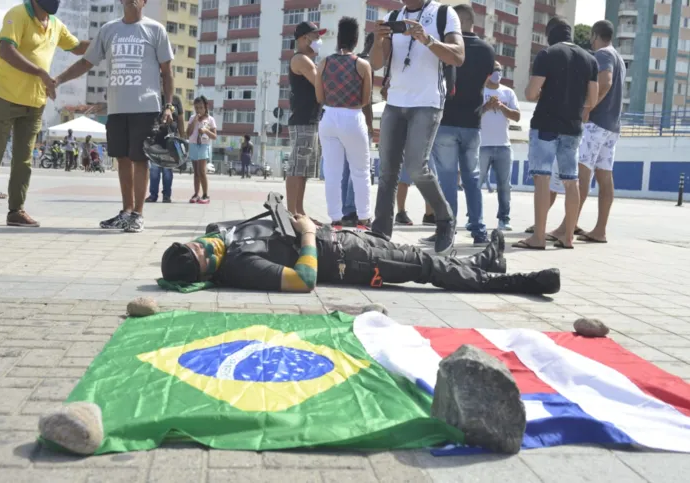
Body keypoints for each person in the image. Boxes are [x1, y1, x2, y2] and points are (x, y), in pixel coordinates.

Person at [159, 194, 561, 296]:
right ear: (205, 274)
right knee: (424, 269)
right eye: (206, 256)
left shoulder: (219, 232)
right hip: (346, 261)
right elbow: (304, 281)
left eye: (202, 244)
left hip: (346, 240)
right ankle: (515, 283)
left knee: (421, 257)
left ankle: (488, 263)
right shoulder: (240, 266)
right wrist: (307, 234)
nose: (211, 246)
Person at [55, 0, 175, 233]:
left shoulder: (155, 30)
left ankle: (138, 215)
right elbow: (86, 62)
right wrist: (58, 80)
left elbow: (167, 72)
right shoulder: (109, 30)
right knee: (122, 158)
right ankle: (126, 211)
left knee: (140, 159)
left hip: (145, 106)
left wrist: (168, 105)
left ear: (144, 2)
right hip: (117, 108)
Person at [0, 0, 89, 228]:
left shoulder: (55, 24)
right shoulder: (18, 14)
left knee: (23, 160)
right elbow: (5, 51)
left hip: (34, 101)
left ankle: (16, 211)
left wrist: (106, 40)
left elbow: (77, 47)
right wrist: (41, 73)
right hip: (4, 96)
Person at [370, 0, 465, 254]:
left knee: (415, 166)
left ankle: (445, 220)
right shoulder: (393, 15)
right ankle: (380, 232)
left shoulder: (444, 14)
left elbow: (458, 56)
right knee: (387, 170)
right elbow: (377, 63)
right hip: (395, 102)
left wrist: (427, 39)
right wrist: (379, 39)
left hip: (427, 101)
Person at [514, 17, 598, 251]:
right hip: (572, 128)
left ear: (550, 34)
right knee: (571, 182)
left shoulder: (547, 54)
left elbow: (531, 94)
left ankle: (538, 237)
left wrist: (546, 94)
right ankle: (568, 237)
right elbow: (592, 99)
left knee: (542, 179)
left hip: (546, 125)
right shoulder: (590, 59)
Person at [547, 20, 625, 245]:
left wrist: (588, 107)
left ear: (595, 35)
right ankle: (600, 230)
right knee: (605, 177)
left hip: (596, 124)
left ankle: (566, 228)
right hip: (612, 126)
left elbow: (606, 81)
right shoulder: (619, 57)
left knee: (581, 176)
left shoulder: (603, 55)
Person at [429, 4, 494, 246]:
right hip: (473, 122)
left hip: (445, 121)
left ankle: (447, 231)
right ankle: (479, 231)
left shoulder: (445, 48)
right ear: (473, 22)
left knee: (446, 179)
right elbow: (488, 81)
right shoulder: (487, 50)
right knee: (472, 178)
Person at [316, 17, 372, 226]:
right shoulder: (362, 65)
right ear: (356, 39)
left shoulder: (324, 63)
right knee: (360, 170)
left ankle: (335, 219)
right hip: (352, 116)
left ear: (338, 38)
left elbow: (319, 97)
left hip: (328, 117)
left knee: (332, 172)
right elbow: (365, 100)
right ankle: (364, 217)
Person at [286, 21, 325, 217]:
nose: (319, 40)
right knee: (296, 168)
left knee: (304, 171)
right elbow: (321, 84)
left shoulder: (309, 61)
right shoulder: (301, 59)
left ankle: (299, 211)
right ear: (303, 38)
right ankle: (291, 212)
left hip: (310, 120)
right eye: (316, 36)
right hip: (302, 121)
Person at [479, 60, 520, 231]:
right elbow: (471, 114)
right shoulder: (479, 91)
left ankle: (504, 218)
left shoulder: (508, 92)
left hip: (503, 145)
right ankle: (475, 218)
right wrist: (486, 106)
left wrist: (501, 106)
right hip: (482, 145)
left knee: (504, 185)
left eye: (501, 70)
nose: (498, 73)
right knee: (476, 184)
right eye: (495, 70)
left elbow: (517, 116)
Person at [147, 93, 184, 203]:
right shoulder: (154, 96)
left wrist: (182, 138)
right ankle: (153, 195)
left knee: (167, 170)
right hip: (155, 139)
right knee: (154, 170)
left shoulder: (176, 99)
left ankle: (167, 195)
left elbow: (181, 120)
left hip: (171, 140)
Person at [188, 96, 216, 204]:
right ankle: (196, 193)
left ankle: (205, 194)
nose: (198, 110)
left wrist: (206, 131)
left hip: (203, 145)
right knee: (196, 172)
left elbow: (214, 136)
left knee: (202, 171)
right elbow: (188, 133)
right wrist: (194, 122)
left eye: (201, 108)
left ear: (205, 107)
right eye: (196, 108)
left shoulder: (210, 119)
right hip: (193, 144)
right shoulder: (192, 118)